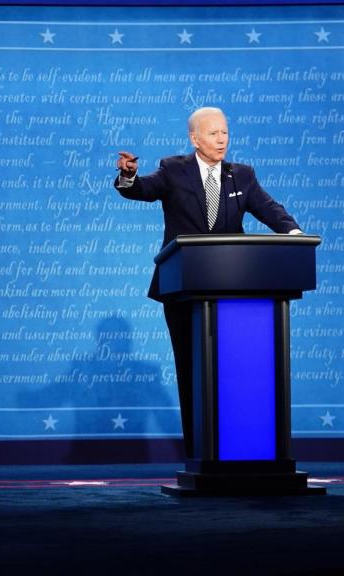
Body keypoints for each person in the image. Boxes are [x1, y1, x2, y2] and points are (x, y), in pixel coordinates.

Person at [114, 106, 302, 459]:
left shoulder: (241, 176)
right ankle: (199, 452)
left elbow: (269, 208)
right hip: (183, 290)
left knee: (234, 374)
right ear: (195, 138)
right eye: (213, 133)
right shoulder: (174, 170)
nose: (221, 139)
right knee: (192, 369)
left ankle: (241, 451)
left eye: (225, 133)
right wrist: (129, 176)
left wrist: (293, 232)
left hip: (235, 292)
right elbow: (141, 190)